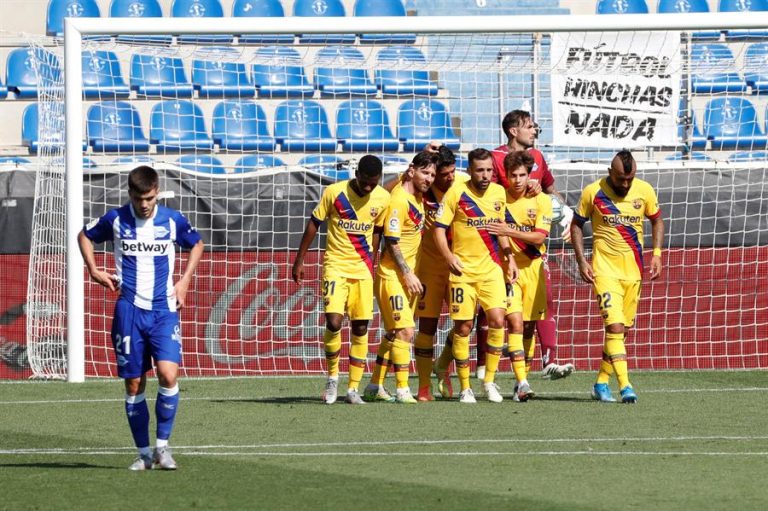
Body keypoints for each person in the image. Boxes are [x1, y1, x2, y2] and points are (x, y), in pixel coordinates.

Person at [78, 165, 204, 470]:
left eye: (148, 198)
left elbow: (197, 244)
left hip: (164, 310)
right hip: (129, 311)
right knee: (134, 384)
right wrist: (93, 269)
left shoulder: (172, 220)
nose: (143, 204)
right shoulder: (116, 219)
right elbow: (85, 235)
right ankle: (144, 453)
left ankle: (163, 448)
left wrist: (185, 279)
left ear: (156, 192)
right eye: (138, 198)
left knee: (168, 375)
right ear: (130, 194)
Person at [473, 109, 575, 381]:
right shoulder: (494, 158)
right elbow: (486, 192)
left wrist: (566, 213)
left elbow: (552, 191)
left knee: (541, 305)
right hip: (500, 243)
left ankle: (546, 361)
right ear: (513, 131)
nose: (534, 131)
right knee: (491, 308)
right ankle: (482, 362)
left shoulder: (539, 157)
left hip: (531, 242)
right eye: (529, 126)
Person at [292, 155, 390, 405]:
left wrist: (372, 261)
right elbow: (314, 223)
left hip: (363, 269)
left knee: (360, 327)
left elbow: (378, 231)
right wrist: (299, 260)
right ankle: (333, 378)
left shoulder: (383, 198)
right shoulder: (335, 192)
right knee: (334, 322)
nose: (369, 187)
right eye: (366, 181)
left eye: (374, 182)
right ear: (357, 174)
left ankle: (353, 388)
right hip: (335, 265)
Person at [570, 150, 664, 404]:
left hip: (633, 272)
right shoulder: (593, 192)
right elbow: (576, 224)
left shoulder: (644, 190)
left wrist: (656, 254)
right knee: (614, 327)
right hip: (604, 271)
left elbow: (656, 220)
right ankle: (625, 386)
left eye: (629, 179)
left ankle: (601, 383)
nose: (625, 184)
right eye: (621, 179)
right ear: (610, 173)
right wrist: (581, 260)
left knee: (621, 333)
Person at [434, 148, 517, 403]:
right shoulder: (457, 193)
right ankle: (465, 387)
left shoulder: (499, 192)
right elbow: (438, 230)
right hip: (463, 272)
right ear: (469, 170)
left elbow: (500, 228)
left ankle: (489, 382)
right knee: (464, 327)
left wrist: (509, 257)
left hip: (491, 268)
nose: (485, 175)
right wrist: (449, 257)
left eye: (489, 170)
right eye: (479, 170)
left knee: (497, 321)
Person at [362, 151, 436, 404]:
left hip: (408, 277)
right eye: (425, 172)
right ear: (412, 170)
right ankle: (403, 389)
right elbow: (391, 242)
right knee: (405, 331)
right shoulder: (399, 201)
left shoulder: (417, 199)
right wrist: (407, 273)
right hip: (392, 274)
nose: (429, 178)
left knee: (394, 333)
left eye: (433, 174)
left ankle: (374, 386)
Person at [485, 151, 553, 402]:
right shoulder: (498, 197)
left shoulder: (542, 200)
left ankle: (518, 382)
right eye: (512, 175)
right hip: (507, 270)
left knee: (528, 327)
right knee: (513, 323)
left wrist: (509, 230)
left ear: (529, 175)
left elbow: (538, 237)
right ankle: (520, 382)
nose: (517, 180)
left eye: (522, 175)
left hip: (533, 269)